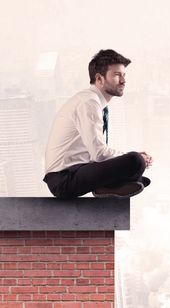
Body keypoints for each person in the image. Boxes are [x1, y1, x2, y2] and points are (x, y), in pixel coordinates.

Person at [43, 49, 152, 198]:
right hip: (63, 178)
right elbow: (99, 153)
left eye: (124, 75)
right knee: (136, 161)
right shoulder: (89, 102)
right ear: (99, 79)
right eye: (117, 75)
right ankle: (109, 185)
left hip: (79, 170)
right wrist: (131, 157)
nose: (123, 81)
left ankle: (107, 187)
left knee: (138, 172)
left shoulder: (95, 103)